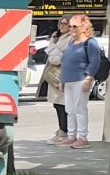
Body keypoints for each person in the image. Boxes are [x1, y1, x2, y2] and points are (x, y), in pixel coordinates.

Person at [60, 13, 101, 149]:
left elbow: (94, 62)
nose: (71, 29)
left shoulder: (90, 42)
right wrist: (62, 80)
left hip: (81, 79)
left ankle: (82, 137)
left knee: (80, 108)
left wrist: (89, 78)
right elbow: (65, 61)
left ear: (83, 27)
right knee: (70, 109)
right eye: (70, 26)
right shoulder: (72, 42)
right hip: (69, 80)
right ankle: (71, 136)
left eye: (74, 26)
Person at [43, 17, 70, 142]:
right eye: (61, 23)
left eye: (66, 23)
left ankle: (64, 131)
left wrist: (53, 49)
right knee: (57, 104)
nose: (63, 25)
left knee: (64, 105)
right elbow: (52, 56)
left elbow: (57, 58)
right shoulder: (56, 37)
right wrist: (53, 44)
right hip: (54, 75)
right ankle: (62, 130)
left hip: (63, 74)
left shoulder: (71, 38)